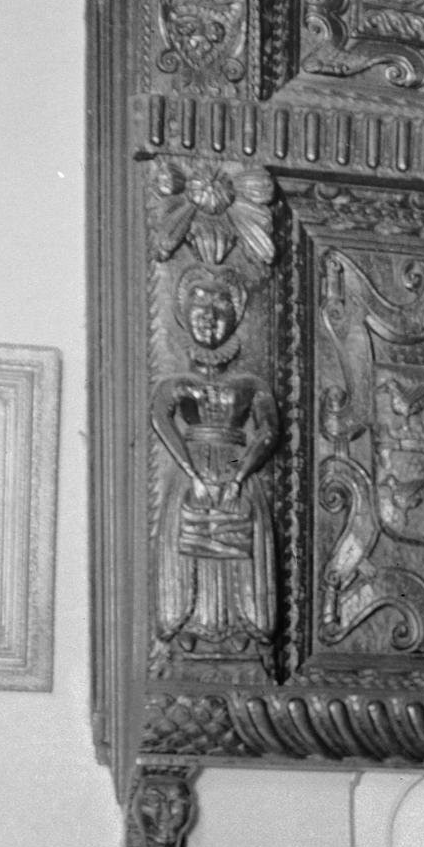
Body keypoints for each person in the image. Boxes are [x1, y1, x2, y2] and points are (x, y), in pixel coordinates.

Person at [151, 271, 279, 651]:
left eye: (220, 304)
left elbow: (268, 431)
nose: (208, 314)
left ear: (236, 315)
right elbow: (161, 420)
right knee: (192, 544)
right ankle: (188, 626)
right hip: (193, 473)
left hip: (236, 466)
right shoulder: (172, 384)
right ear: (183, 312)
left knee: (235, 546)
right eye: (199, 303)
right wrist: (191, 472)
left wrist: (239, 475)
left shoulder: (251, 385)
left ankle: (241, 630)